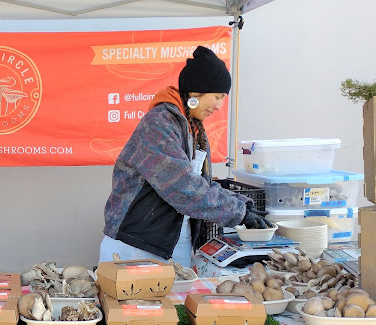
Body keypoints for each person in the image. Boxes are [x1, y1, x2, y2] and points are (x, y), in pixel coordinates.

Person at [100, 46, 271, 267]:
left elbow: (202, 185)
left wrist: (243, 204)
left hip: (173, 242)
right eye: (217, 97)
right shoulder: (159, 124)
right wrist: (238, 213)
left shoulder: (193, 128)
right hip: (136, 246)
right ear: (196, 92)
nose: (219, 106)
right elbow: (183, 187)